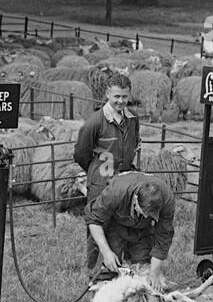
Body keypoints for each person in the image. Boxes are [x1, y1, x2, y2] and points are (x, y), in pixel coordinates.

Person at [74, 73, 140, 272]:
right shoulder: (94, 123)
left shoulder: (133, 119)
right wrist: (96, 174)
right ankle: (96, 278)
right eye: (116, 97)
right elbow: (81, 154)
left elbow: (134, 145)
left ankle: (119, 272)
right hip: (101, 186)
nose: (120, 101)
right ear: (107, 95)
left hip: (124, 184)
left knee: (121, 229)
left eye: (124, 97)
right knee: (97, 229)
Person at [85, 170, 174, 290]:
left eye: (151, 214)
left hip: (143, 230)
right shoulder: (115, 192)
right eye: (145, 212)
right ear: (136, 200)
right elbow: (94, 220)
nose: (147, 216)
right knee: (109, 269)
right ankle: (100, 300)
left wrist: (154, 272)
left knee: (141, 272)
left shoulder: (167, 199)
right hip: (115, 224)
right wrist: (106, 252)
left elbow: (164, 236)